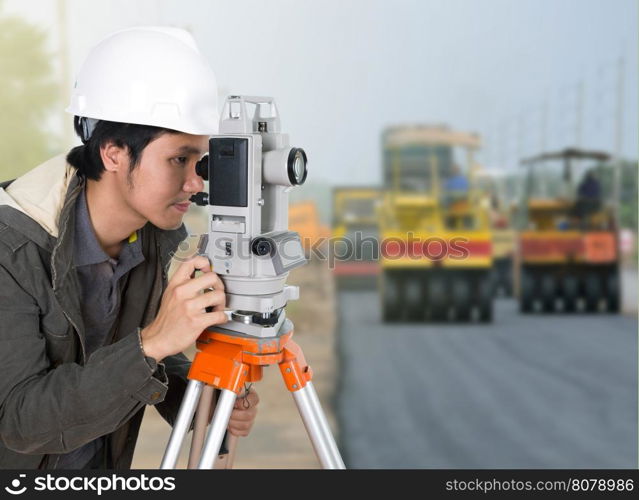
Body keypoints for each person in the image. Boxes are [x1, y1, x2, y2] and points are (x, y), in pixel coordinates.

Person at [0, 27, 259, 469]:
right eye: (179, 159)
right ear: (114, 152)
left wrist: (201, 402)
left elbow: (147, 352)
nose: (197, 183)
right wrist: (152, 343)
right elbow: (20, 422)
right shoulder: (13, 249)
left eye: (201, 161)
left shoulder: (153, 236)